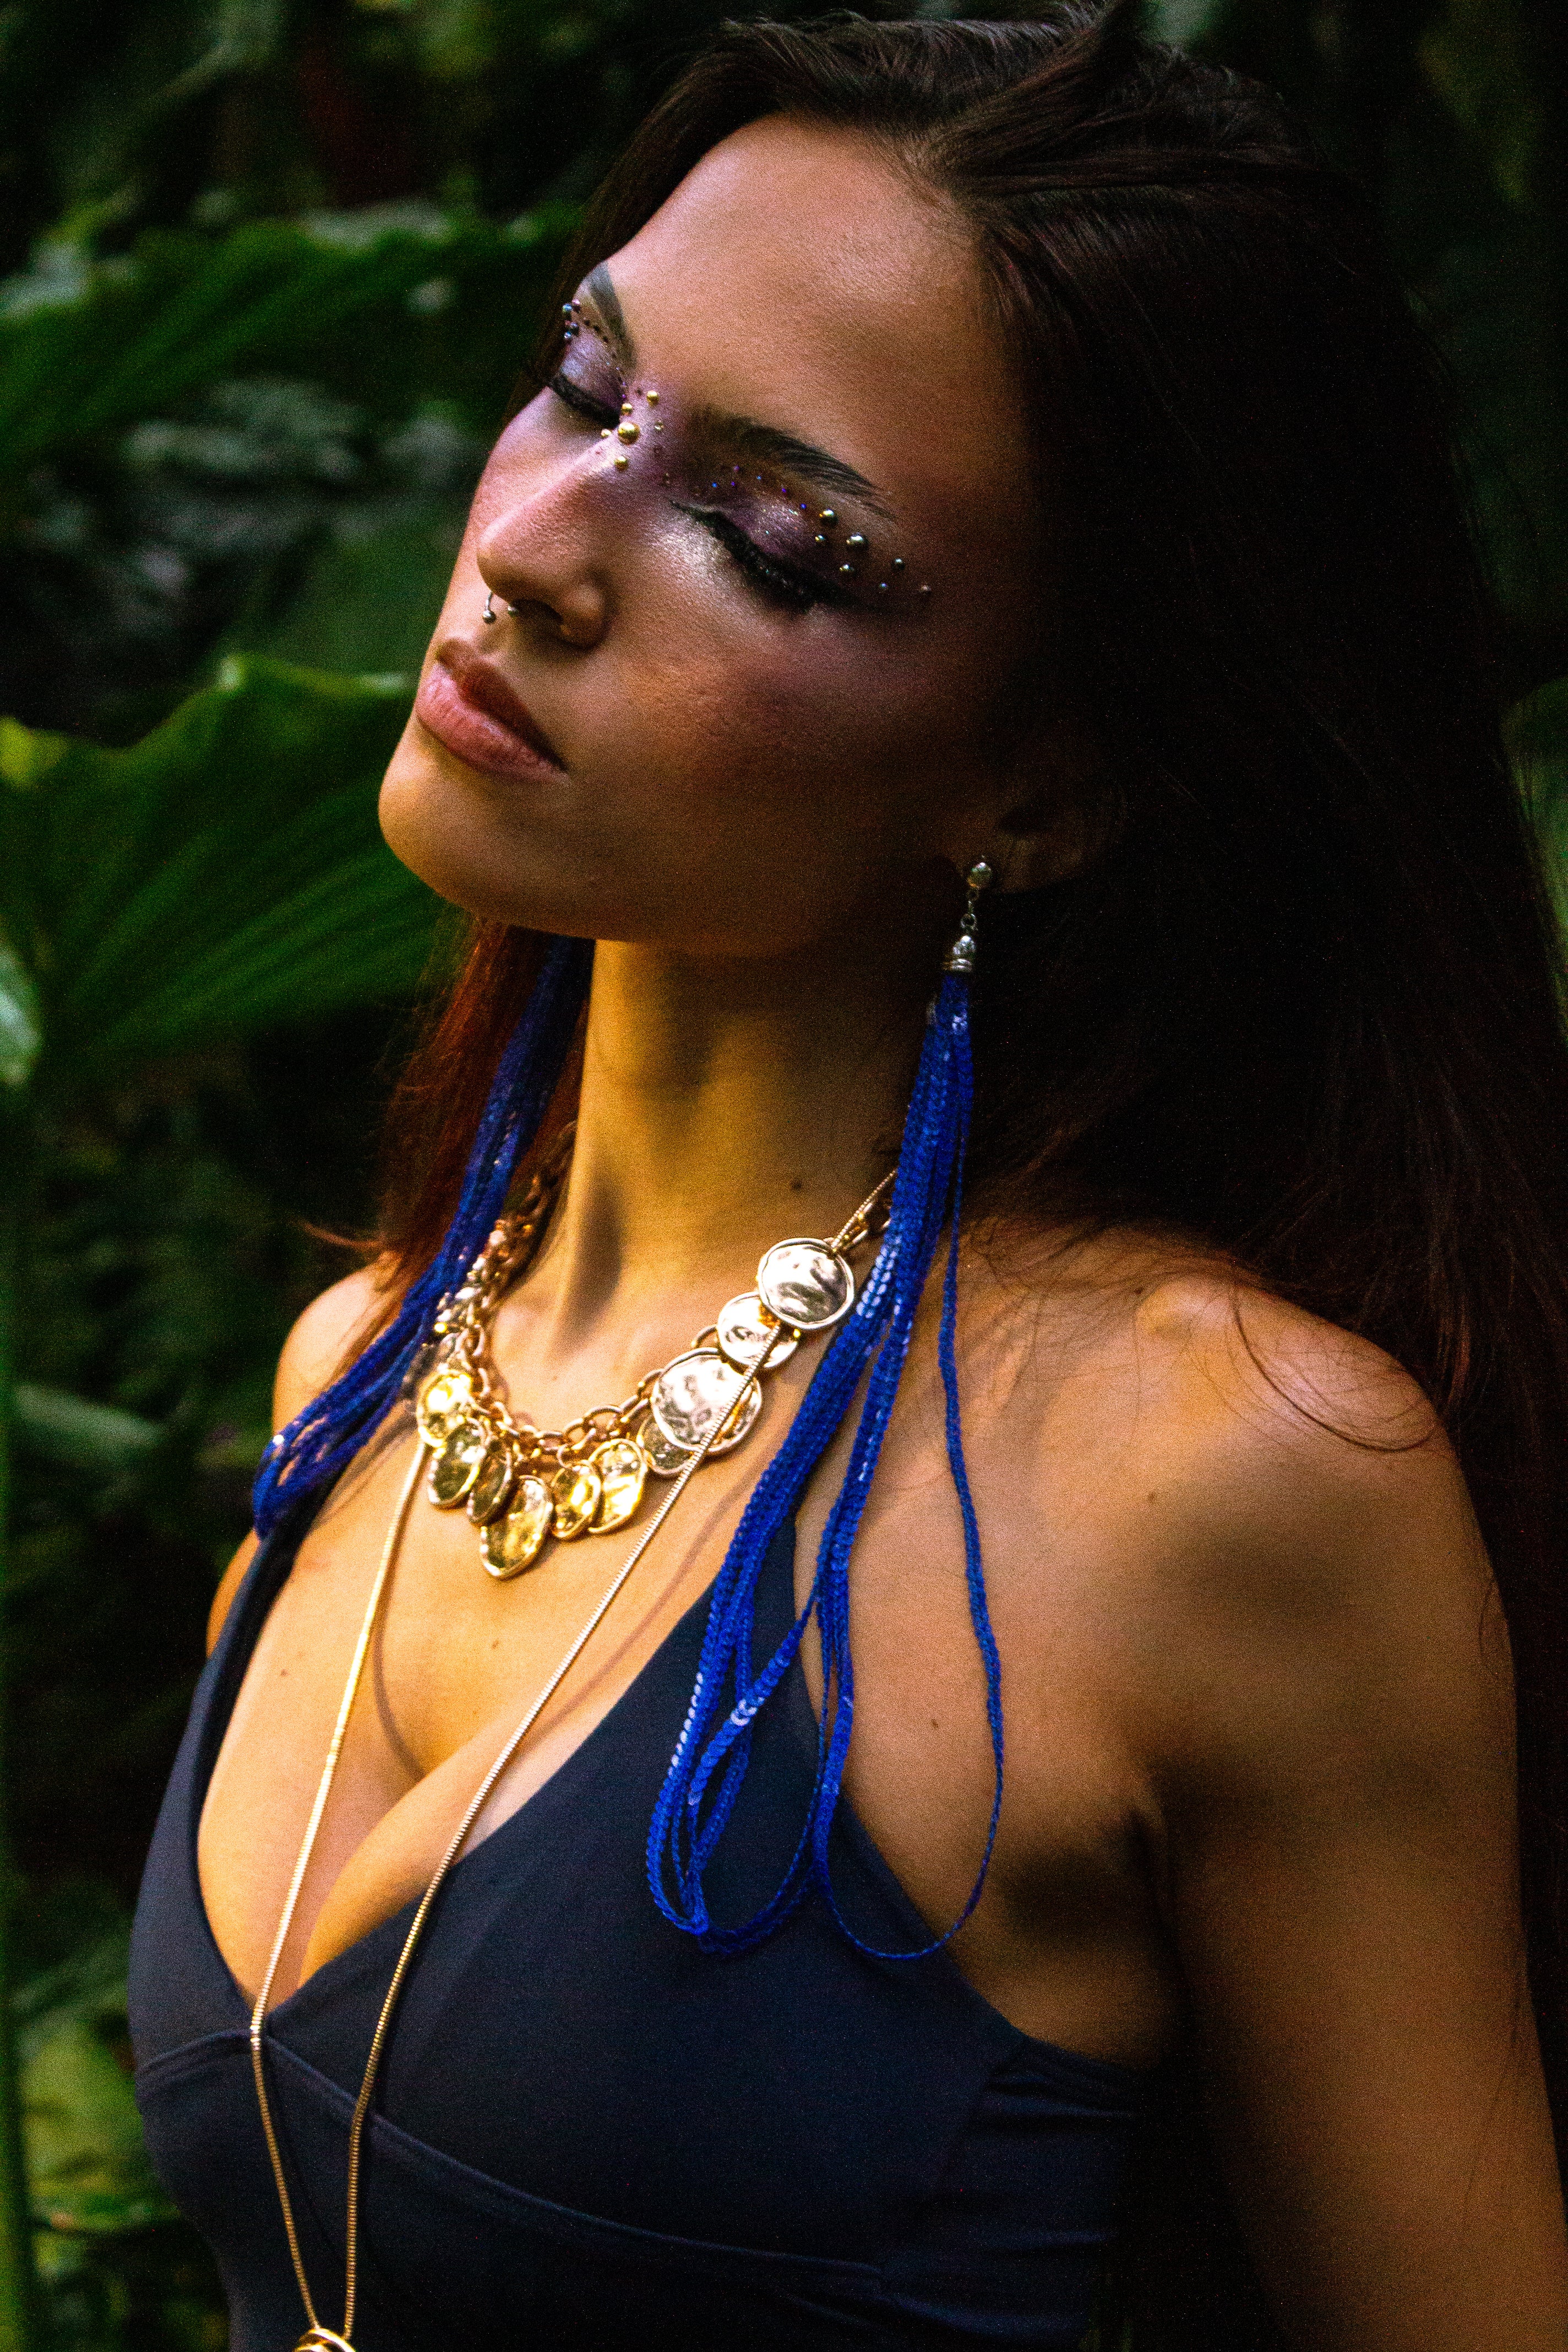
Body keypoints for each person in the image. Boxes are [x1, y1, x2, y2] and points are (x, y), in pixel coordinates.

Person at [128, 4, 1568, 2346]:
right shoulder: (354, 1375)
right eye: (581, 385)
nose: (532, 545)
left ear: (1050, 785)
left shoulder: (1214, 1478)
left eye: (771, 538)